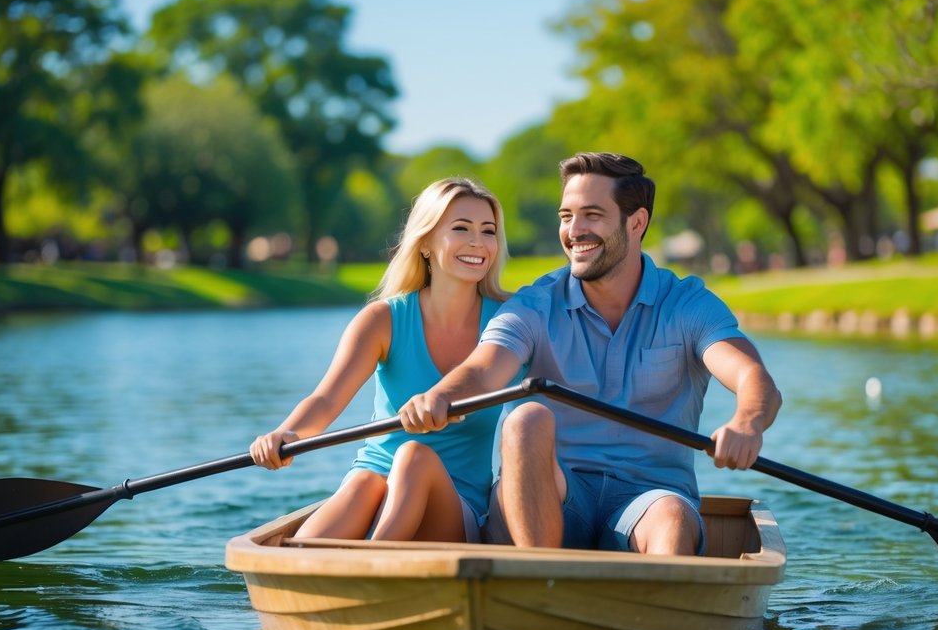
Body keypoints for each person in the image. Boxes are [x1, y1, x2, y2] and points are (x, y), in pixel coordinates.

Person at [399, 152, 781, 556]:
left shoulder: (687, 304)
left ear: (636, 223)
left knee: (671, 518)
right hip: (553, 496)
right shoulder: (534, 304)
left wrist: (746, 424)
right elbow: (482, 370)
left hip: (649, 498)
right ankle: (539, 583)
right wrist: (441, 395)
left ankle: (656, 604)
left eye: (592, 215)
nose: (574, 231)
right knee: (526, 418)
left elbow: (752, 377)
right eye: (566, 216)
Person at [249, 177, 510, 543]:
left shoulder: (510, 322)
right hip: (373, 481)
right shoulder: (382, 320)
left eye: (489, 231)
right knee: (350, 498)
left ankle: (368, 563)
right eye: (461, 229)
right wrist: (286, 434)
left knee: (414, 457)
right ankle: (337, 564)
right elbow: (325, 399)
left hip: (456, 505)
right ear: (425, 242)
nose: (478, 243)